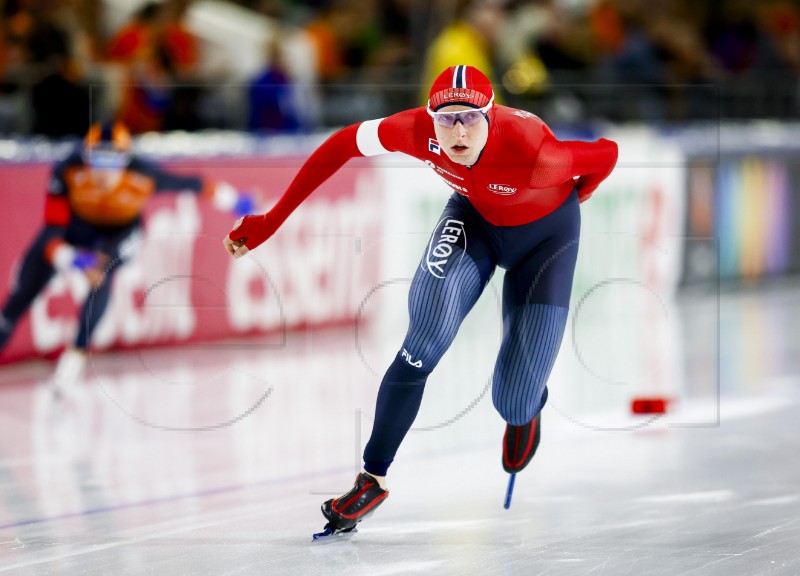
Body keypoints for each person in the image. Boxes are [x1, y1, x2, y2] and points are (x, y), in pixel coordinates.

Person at [223, 65, 618, 533]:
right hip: (475, 224)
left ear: (490, 117)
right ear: (429, 119)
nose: (457, 130)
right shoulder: (412, 130)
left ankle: (526, 409)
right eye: (446, 118)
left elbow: (606, 154)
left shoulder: (536, 153)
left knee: (511, 400)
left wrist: (582, 193)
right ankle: (372, 479)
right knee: (423, 340)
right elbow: (341, 144)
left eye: (470, 118)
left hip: (546, 242)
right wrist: (272, 219)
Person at [0, 121, 253, 394]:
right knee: (24, 291)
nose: (104, 172)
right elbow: (52, 232)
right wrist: (71, 258)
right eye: (97, 160)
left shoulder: (144, 175)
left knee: (102, 271)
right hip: (75, 229)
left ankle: (76, 353)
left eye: (112, 161)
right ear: (85, 157)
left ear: (126, 160)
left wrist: (238, 202)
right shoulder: (66, 170)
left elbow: (197, 185)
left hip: (119, 235)